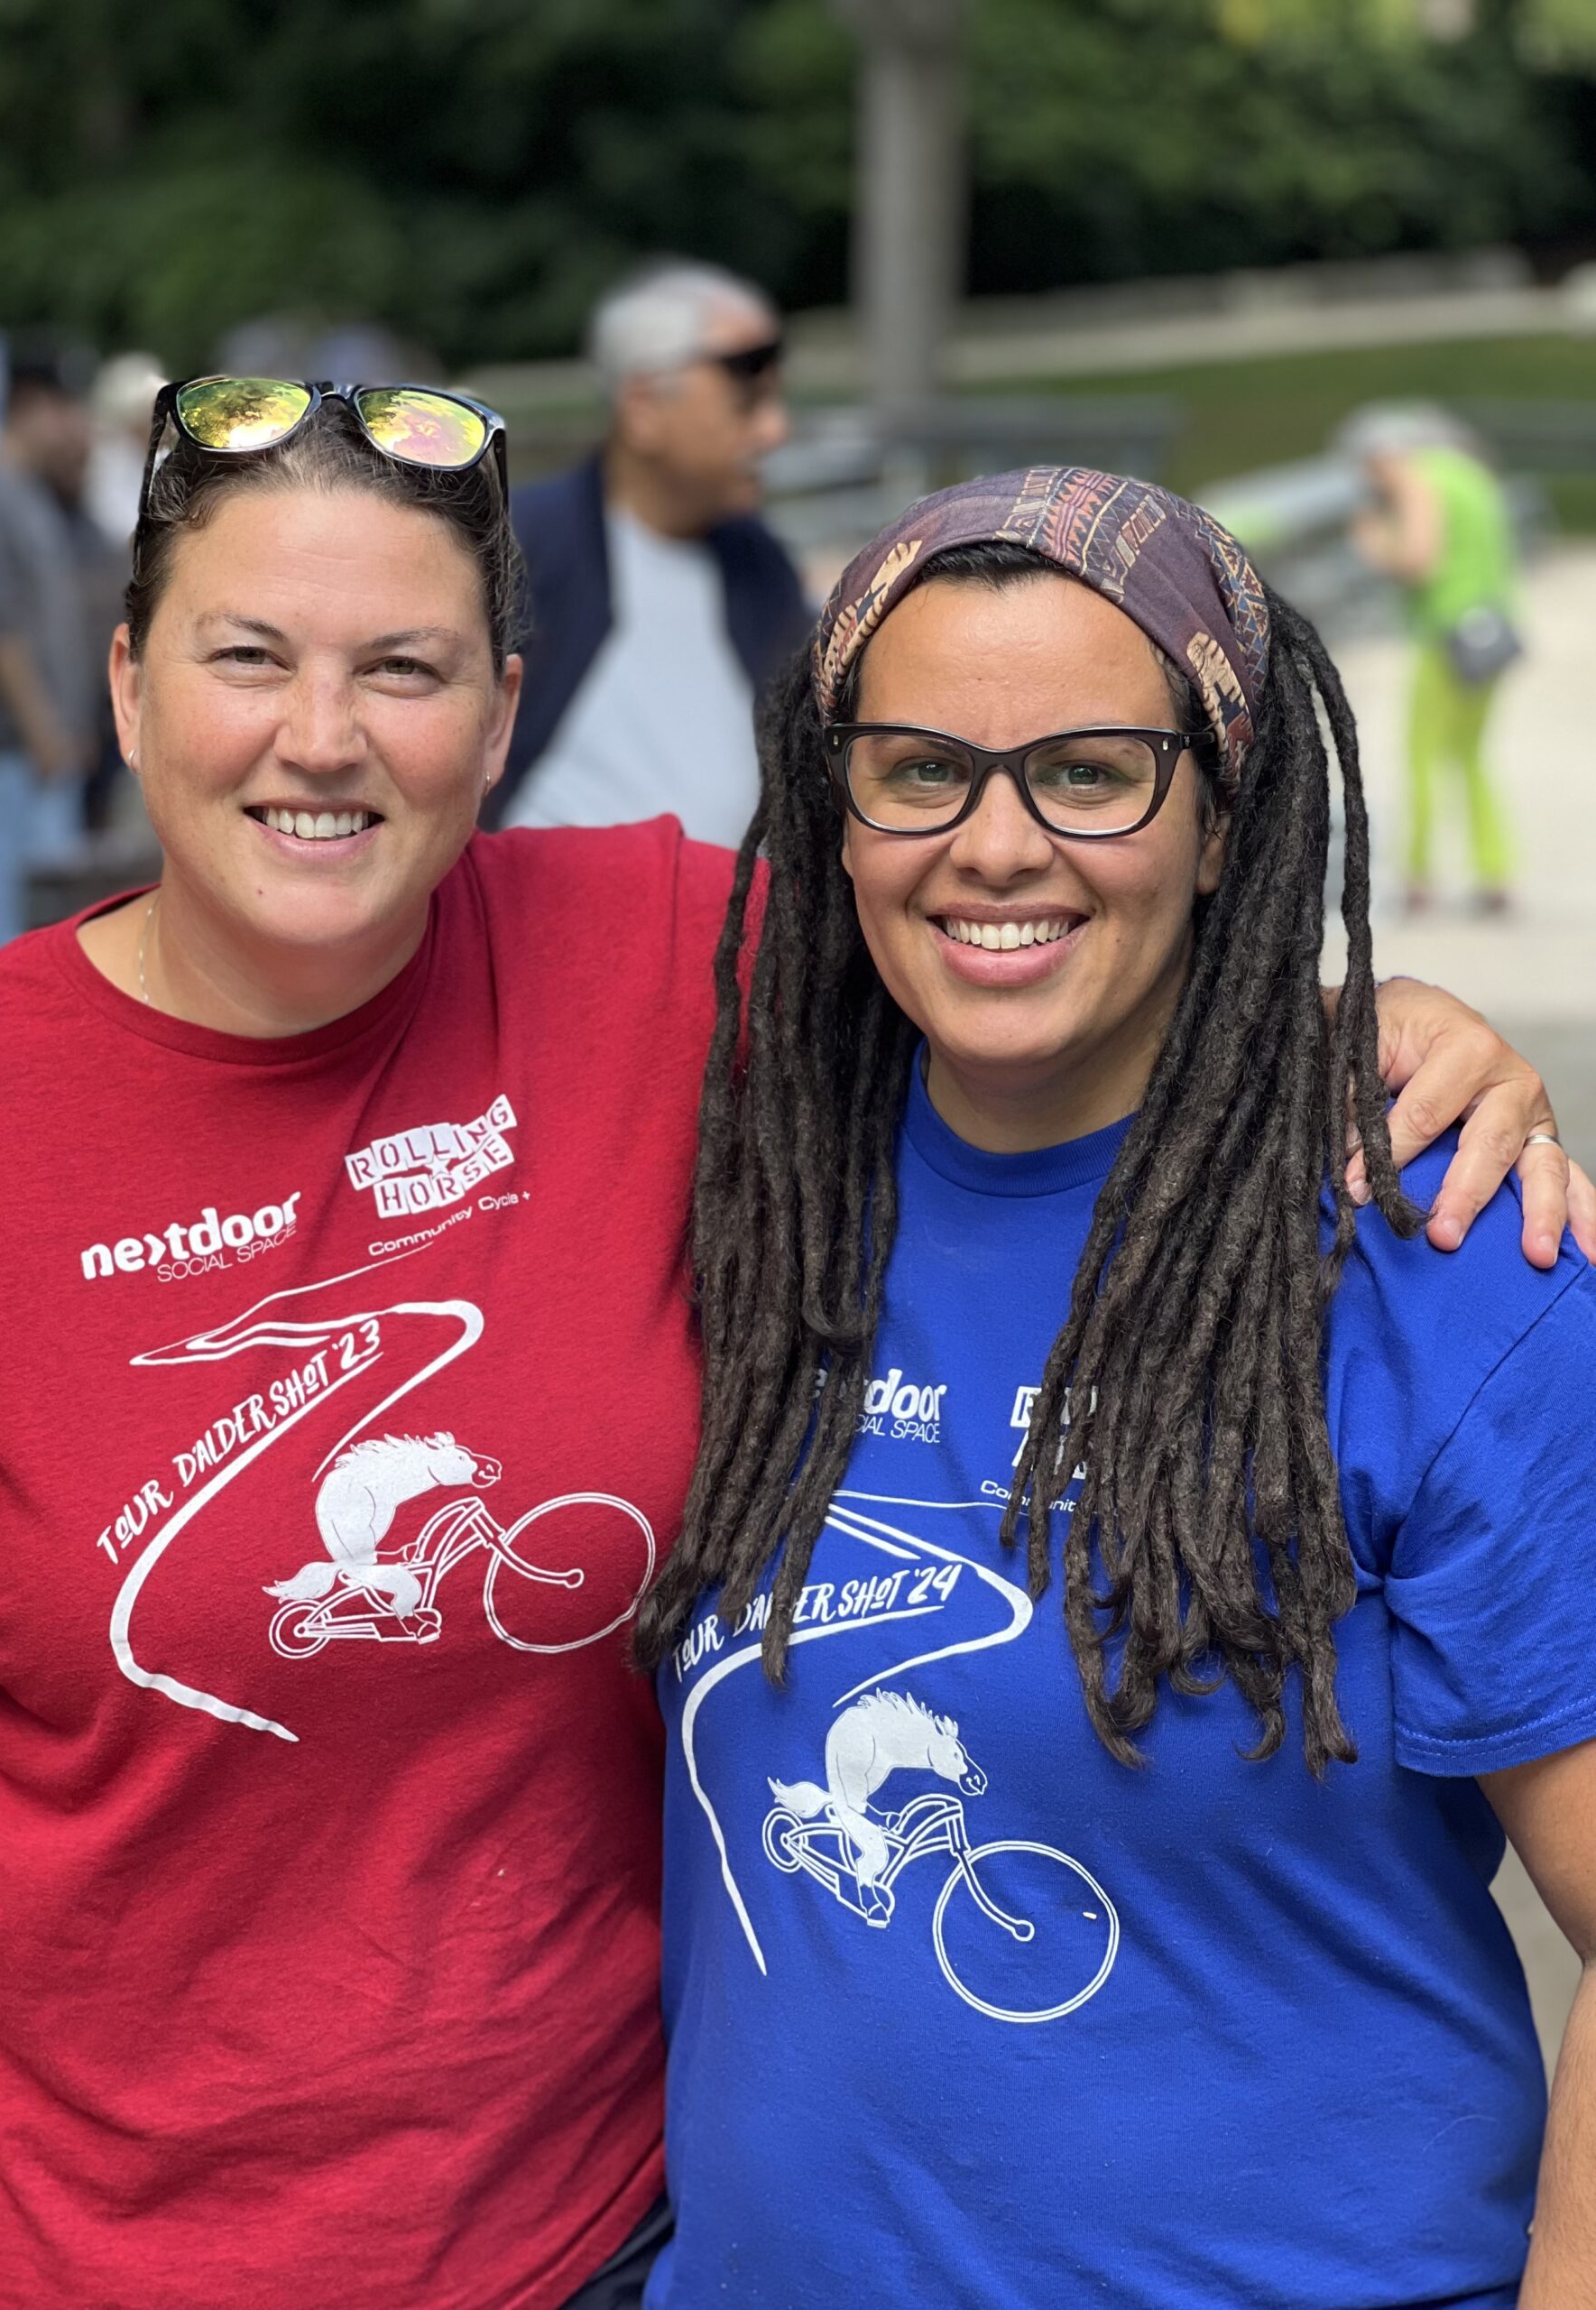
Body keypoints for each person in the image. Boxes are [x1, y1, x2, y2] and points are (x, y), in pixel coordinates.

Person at [0, 393, 1583, 2310]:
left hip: (570, 2251)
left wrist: (1368, 1019)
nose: (320, 734)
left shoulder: (660, 960)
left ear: (504, 713)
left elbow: (1037, 926)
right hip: (31, 2246)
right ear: (123, 679)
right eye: (245, 655)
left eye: (405, 666)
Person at [639, 469, 1596, 2309]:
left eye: (1089, 770)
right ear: (839, 811)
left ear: (1225, 815)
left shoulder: (1447, 1266)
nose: (996, 845)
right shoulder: (756, 1210)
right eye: (922, 769)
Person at [488, 260, 808, 846]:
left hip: (745, 925)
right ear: (642, 405)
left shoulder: (760, 562)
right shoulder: (518, 548)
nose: (774, 432)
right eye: (747, 400)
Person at [0, 353, 99, 967]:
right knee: (1, 900)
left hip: (45, 739)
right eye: (63, 410)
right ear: (29, 407)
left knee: (40, 902)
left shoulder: (31, 495)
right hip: (14, 740)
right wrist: (41, 726)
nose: (72, 425)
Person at [1346, 407, 1520, 914]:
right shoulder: (1473, 476)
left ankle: (1419, 877)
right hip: (1492, 632)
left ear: (1387, 453)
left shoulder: (1419, 480)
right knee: (1471, 756)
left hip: (1445, 634)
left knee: (1421, 755)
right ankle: (1496, 870)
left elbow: (1420, 559)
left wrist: (1376, 544)